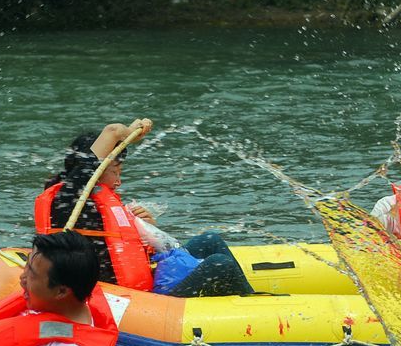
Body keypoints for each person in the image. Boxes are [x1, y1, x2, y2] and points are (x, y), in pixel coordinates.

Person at [35, 119, 253, 297]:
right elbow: (111, 131)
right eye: (115, 171)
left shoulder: (92, 199)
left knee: (210, 240)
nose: (119, 181)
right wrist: (130, 131)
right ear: (97, 167)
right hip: (131, 299)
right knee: (218, 265)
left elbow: (123, 250)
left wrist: (147, 233)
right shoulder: (70, 198)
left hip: (148, 283)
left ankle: (249, 296)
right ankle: (255, 309)